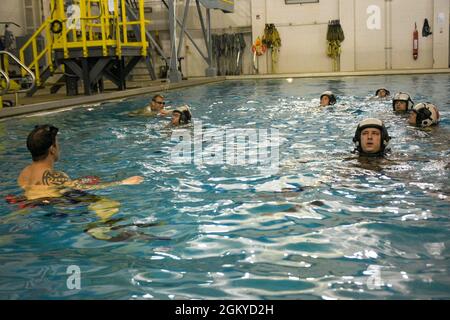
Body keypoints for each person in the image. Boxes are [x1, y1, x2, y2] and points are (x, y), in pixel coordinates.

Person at [17, 125, 143, 220]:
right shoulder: (57, 176)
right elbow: (84, 187)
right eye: (58, 144)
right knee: (108, 204)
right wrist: (122, 182)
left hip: (30, 205)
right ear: (52, 149)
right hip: (53, 206)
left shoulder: (24, 173)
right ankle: (102, 229)